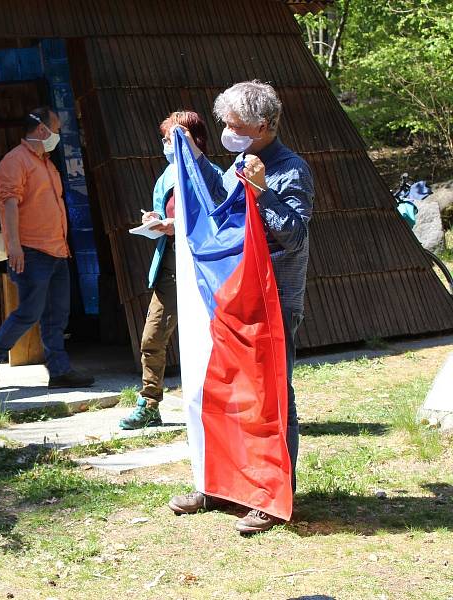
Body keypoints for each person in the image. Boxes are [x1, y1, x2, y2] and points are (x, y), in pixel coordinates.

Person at [167, 81, 315, 534]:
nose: (227, 130)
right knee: (223, 390)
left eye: (234, 124)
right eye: (224, 123)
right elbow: (221, 202)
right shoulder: (238, 161)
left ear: (264, 126)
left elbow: (294, 234)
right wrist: (192, 156)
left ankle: (270, 496)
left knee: (268, 395)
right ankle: (221, 484)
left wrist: (264, 191)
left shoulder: (291, 170)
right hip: (229, 298)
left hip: (271, 304)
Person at [119, 110, 222, 430]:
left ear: (195, 139)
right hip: (169, 267)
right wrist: (154, 220)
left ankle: (219, 404)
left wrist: (174, 225)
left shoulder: (210, 172)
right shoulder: (166, 175)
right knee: (152, 336)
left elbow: (214, 218)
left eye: (173, 138)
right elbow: (168, 215)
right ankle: (149, 403)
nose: (167, 144)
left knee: (213, 338)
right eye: (165, 139)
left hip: (204, 269)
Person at [0, 106, 94, 390]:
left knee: (57, 314)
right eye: (55, 129)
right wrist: (14, 247)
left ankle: (59, 370)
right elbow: (9, 205)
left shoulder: (47, 163)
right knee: (30, 311)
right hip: (30, 250)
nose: (57, 135)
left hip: (57, 249)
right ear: (42, 130)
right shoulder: (14, 161)